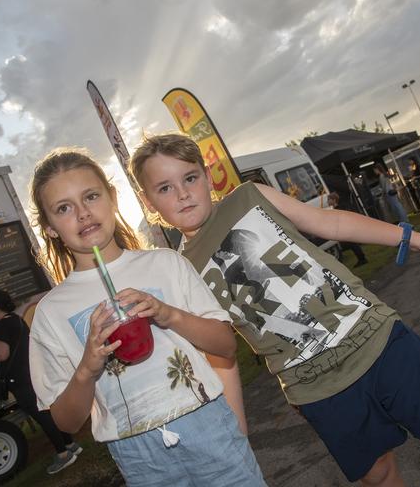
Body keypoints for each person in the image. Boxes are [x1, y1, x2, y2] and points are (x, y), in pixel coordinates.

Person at [129, 133, 420, 487]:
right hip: (313, 383)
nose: (182, 194)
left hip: (372, 336)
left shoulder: (251, 197)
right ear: (149, 203)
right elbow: (220, 352)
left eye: (190, 177)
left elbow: (330, 222)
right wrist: (237, 433)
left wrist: (412, 237)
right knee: (379, 474)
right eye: (165, 187)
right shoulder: (178, 270)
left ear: (207, 175)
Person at [26, 147, 265, 486]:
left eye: (91, 196)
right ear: (49, 228)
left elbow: (225, 346)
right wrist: (87, 369)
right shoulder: (50, 313)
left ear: (112, 198)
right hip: (137, 454)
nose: (82, 214)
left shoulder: (165, 263)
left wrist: (167, 314)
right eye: (64, 208)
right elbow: (66, 422)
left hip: (208, 423)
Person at [0, 289, 82, 475]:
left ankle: (63, 455)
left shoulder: (0, 326)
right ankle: (71, 445)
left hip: (19, 381)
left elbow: (3, 354)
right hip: (32, 374)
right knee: (48, 412)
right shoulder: (17, 320)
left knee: (43, 417)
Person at [327, 192, 368, 268]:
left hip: (346, 228)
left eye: (329, 199)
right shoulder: (338, 208)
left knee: (353, 244)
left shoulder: (339, 209)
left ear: (334, 200)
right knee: (352, 244)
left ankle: (362, 259)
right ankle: (361, 258)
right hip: (346, 228)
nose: (327, 202)